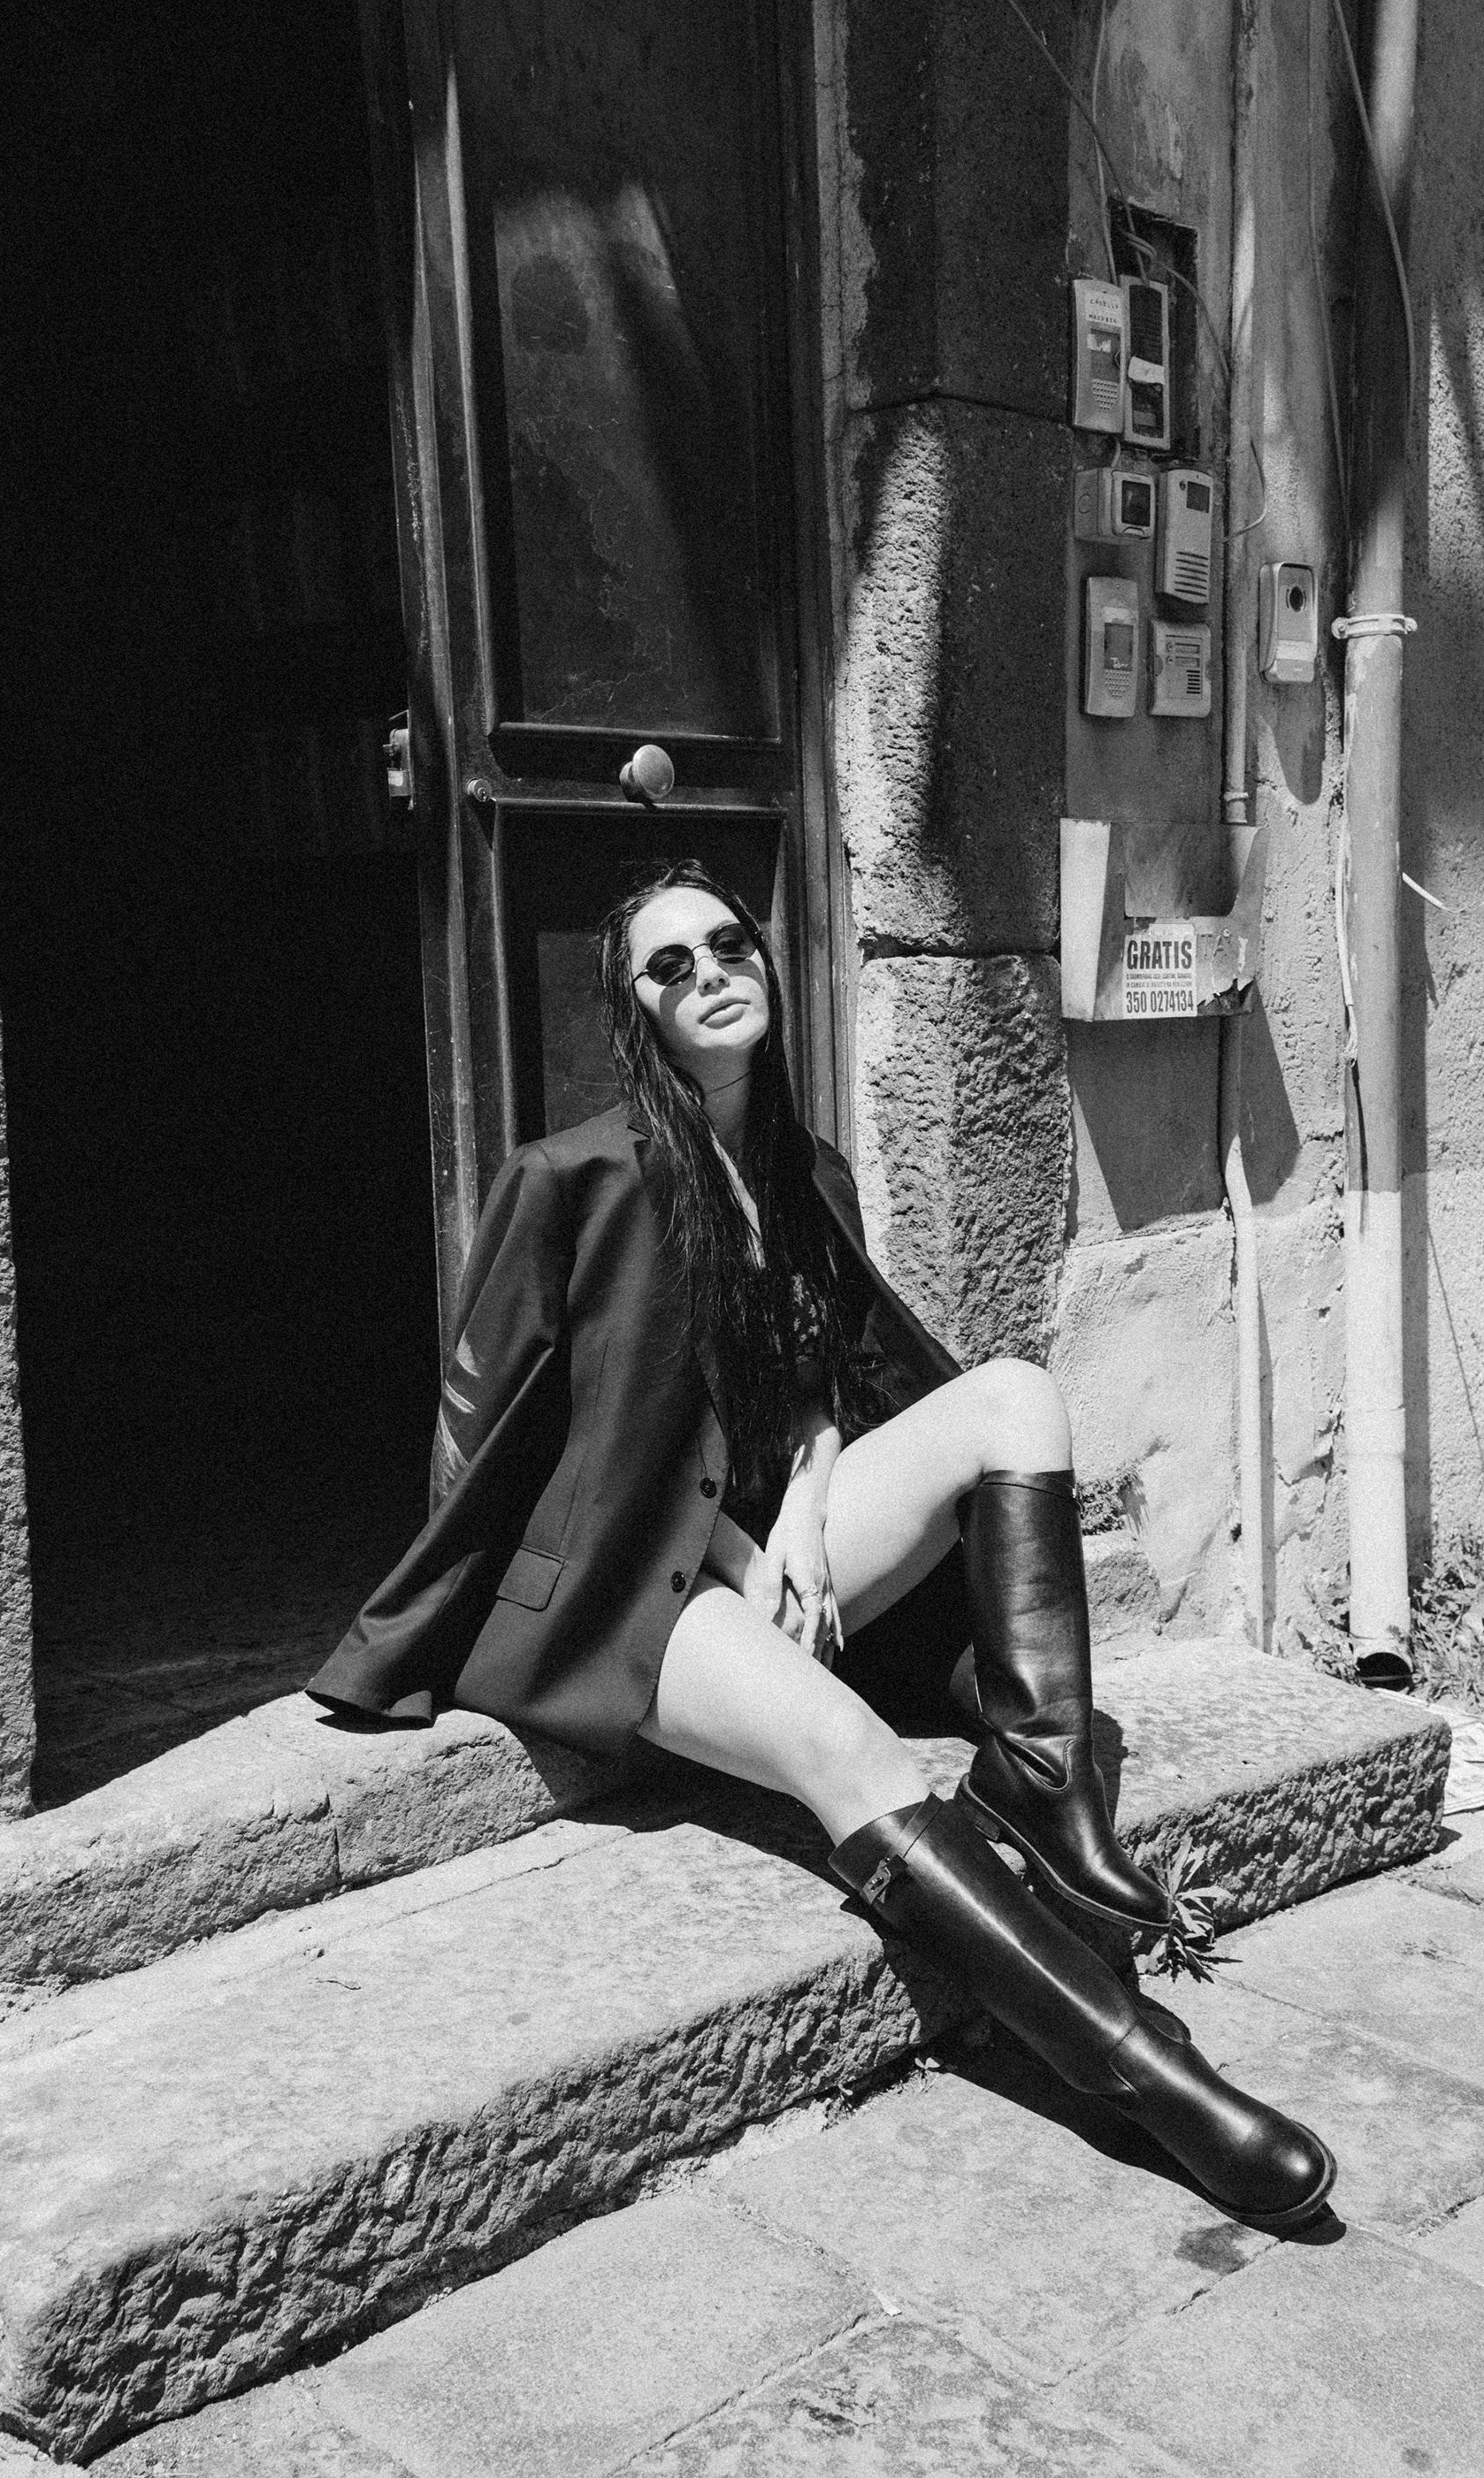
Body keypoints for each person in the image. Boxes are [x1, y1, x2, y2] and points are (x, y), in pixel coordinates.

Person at [309, 859, 1335, 2231]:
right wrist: (737, 1560)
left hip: (761, 1545)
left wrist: (806, 1495)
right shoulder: (568, 1181)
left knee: (1015, 1394)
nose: (710, 974)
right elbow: (489, 1439)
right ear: (637, 1012)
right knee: (850, 1750)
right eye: (669, 966)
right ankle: (1157, 2081)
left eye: (729, 944)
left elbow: (831, 1378)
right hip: (626, 1588)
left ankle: (1040, 1786)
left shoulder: (808, 1172)